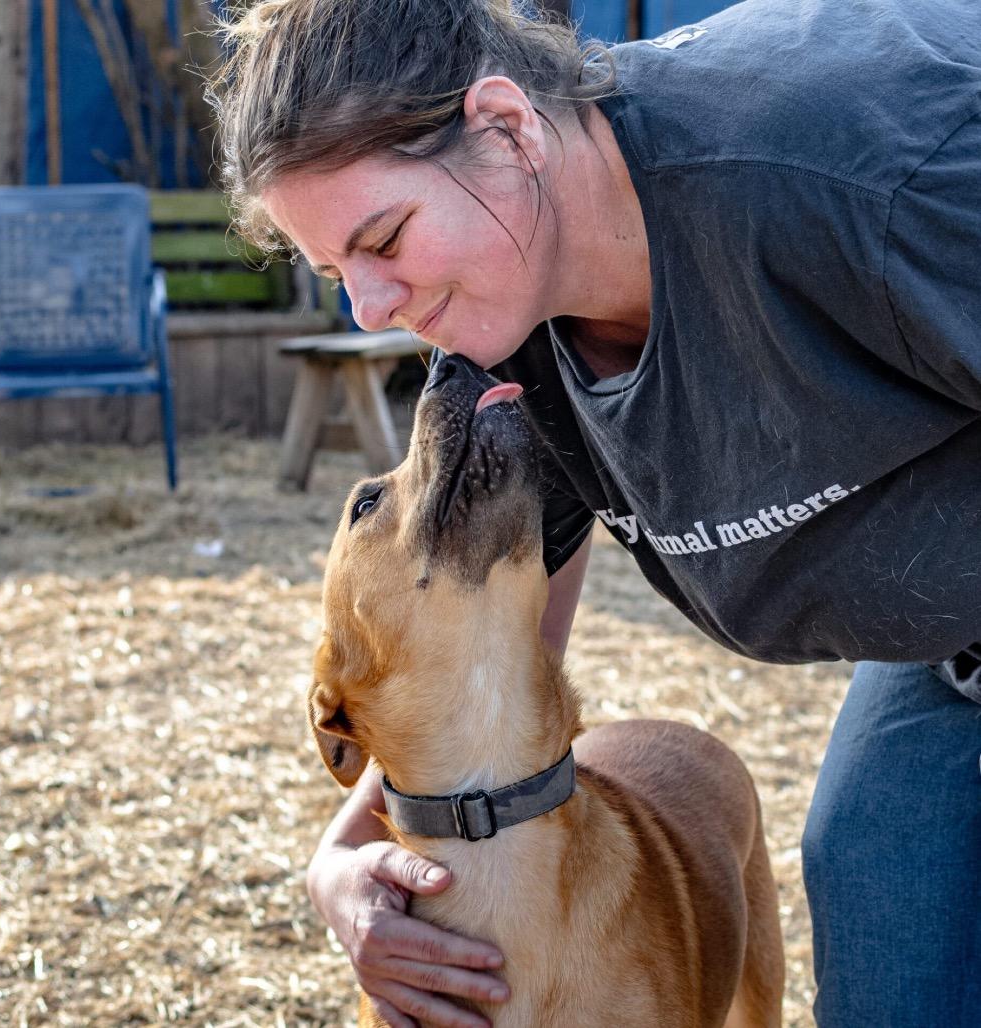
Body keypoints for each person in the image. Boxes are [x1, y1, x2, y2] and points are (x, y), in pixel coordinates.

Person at [210, 1, 981, 1025]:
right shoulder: (509, 329)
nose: (370, 307)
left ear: (505, 128)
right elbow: (490, 648)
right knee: (883, 915)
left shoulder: (861, 179)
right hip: (949, 638)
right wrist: (348, 856)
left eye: (384, 238)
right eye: (335, 273)